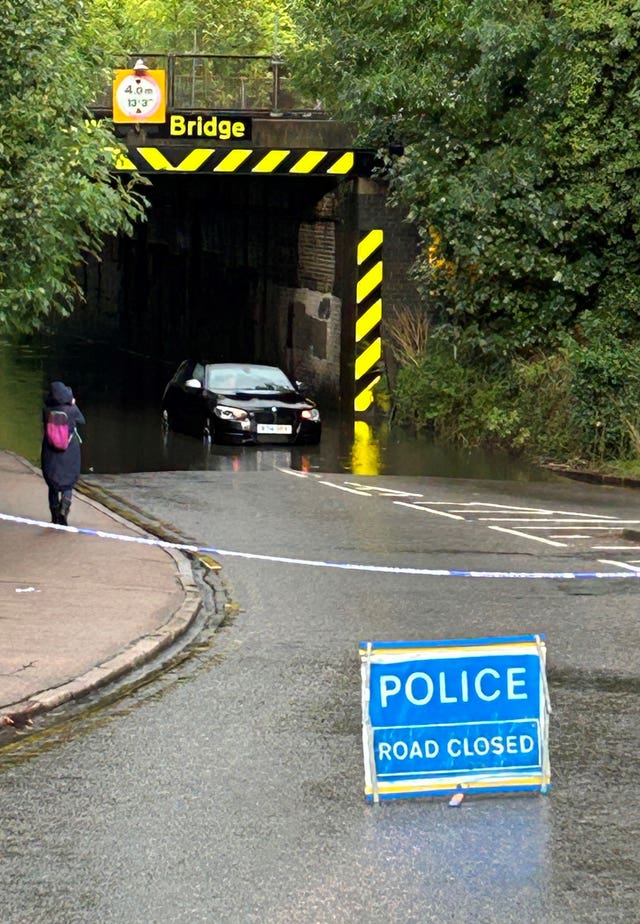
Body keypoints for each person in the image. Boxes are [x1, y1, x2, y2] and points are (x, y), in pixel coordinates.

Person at [41, 381, 86, 526]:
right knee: (68, 483)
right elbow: (82, 421)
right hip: (69, 451)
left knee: (52, 484)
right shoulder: (71, 410)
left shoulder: (46, 410)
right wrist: (73, 404)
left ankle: (54, 515)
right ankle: (64, 509)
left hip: (50, 452)